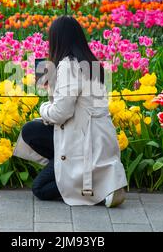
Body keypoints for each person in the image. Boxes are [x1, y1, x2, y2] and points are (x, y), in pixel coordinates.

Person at [14, 16, 128, 207]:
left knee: (39, 187)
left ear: (58, 40)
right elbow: (71, 106)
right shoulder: (92, 63)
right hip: (98, 138)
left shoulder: (69, 65)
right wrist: (51, 84)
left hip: (83, 141)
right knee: (33, 129)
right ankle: (97, 182)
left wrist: (42, 109)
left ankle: (99, 190)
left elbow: (61, 113)